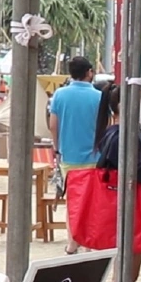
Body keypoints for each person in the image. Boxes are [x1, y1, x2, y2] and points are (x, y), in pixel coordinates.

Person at [67, 84, 141, 282]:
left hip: (116, 204)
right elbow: (133, 170)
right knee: (127, 274)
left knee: (124, 273)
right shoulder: (124, 136)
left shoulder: (110, 133)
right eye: (139, 102)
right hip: (128, 209)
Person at [49, 56, 102, 254]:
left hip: (68, 156)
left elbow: (53, 125)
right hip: (94, 157)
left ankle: (72, 242)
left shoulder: (60, 95)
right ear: (89, 72)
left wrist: (57, 147)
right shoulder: (98, 96)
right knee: (92, 201)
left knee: (72, 200)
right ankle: (89, 241)